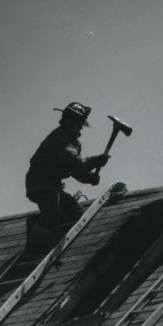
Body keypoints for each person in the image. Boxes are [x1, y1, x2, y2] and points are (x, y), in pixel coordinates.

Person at [25, 102, 109, 252]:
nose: (81, 127)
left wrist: (90, 177)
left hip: (53, 184)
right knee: (51, 214)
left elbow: (77, 172)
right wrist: (96, 161)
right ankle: (35, 248)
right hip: (41, 181)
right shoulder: (61, 138)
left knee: (75, 213)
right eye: (79, 123)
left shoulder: (74, 143)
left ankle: (37, 225)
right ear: (69, 121)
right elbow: (76, 163)